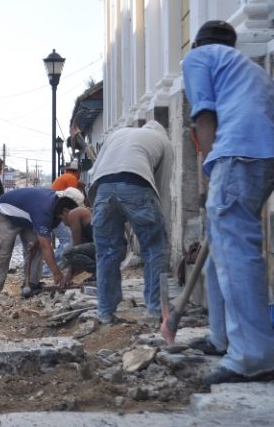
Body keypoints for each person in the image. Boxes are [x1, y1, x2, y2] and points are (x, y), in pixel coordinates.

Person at [182, 20, 274, 385]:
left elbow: (205, 116)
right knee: (223, 246)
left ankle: (253, 354)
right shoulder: (249, 67)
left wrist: (208, 168)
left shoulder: (198, 59)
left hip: (236, 154)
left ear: (198, 44)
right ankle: (222, 337)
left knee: (235, 250)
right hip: (262, 158)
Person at [88, 121, 173, 324]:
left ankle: (105, 311)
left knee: (107, 251)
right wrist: (162, 226)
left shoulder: (118, 134)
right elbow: (161, 188)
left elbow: (95, 174)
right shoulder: (164, 142)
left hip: (103, 188)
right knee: (155, 249)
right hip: (137, 184)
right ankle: (154, 309)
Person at [0, 188, 72, 296]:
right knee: (1, 254)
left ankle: (31, 285)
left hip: (29, 217)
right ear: (66, 210)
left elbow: (42, 242)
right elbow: (46, 246)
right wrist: (57, 273)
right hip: (6, 213)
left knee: (36, 248)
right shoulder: (45, 211)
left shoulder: (57, 209)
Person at [56, 203, 95, 288]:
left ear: (65, 211)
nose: (64, 224)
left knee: (67, 253)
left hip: (109, 248)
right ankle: (97, 274)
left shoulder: (74, 213)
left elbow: (75, 247)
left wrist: (69, 274)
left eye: (61, 219)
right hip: (116, 248)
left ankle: (101, 272)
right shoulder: (87, 212)